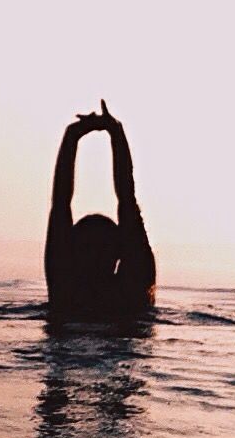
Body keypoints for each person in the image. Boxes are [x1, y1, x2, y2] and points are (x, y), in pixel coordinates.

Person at [45, 100, 156, 321]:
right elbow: (127, 199)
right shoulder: (133, 288)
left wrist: (72, 136)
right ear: (119, 251)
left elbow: (60, 204)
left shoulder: (65, 290)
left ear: (71, 252)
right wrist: (115, 131)